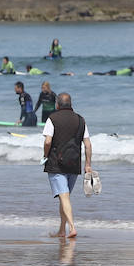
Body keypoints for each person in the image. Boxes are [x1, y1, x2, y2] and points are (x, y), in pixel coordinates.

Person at [43, 92, 94, 240]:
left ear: (57, 104)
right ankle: (61, 230)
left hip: (56, 164)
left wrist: (45, 156)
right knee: (64, 197)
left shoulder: (52, 118)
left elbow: (47, 142)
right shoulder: (81, 120)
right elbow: (88, 144)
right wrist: (88, 164)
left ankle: (72, 228)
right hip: (74, 164)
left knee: (64, 197)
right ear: (71, 104)